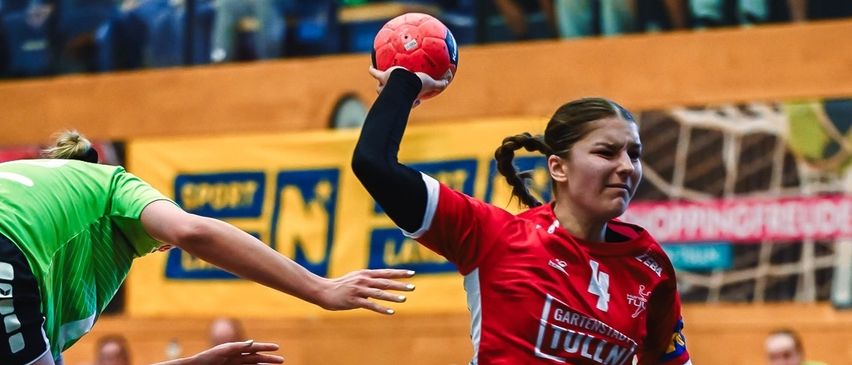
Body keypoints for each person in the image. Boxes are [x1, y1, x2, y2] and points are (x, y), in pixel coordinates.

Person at [352, 67, 692, 364]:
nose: (626, 167)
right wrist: (404, 82)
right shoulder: (497, 237)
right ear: (558, 167)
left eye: (634, 155)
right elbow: (374, 165)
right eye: (606, 153)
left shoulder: (649, 265)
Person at [0, 131, 416, 365]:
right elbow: (194, 232)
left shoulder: (51, 208)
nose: (163, 248)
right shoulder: (113, 183)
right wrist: (319, 289)